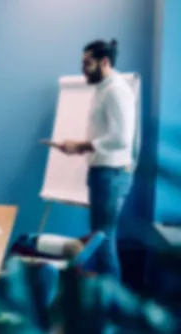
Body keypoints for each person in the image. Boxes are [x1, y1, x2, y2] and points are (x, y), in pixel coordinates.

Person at [53, 39, 136, 279]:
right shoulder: (103, 89)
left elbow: (121, 138)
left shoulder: (116, 90)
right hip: (104, 173)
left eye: (88, 63)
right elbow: (105, 137)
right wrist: (80, 149)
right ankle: (105, 303)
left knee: (103, 241)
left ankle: (109, 306)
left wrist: (82, 145)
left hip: (111, 175)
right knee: (100, 239)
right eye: (82, 63)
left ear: (105, 62)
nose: (83, 69)